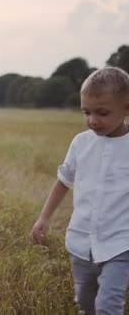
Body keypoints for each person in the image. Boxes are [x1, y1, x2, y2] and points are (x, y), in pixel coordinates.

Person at [31, 66, 129, 314]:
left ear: (126, 108)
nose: (92, 120)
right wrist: (44, 217)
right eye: (86, 112)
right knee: (86, 302)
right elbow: (64, 181)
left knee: (108, 305)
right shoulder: (81, 143)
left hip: (121, 245)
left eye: (102, 113)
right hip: (81, 241)